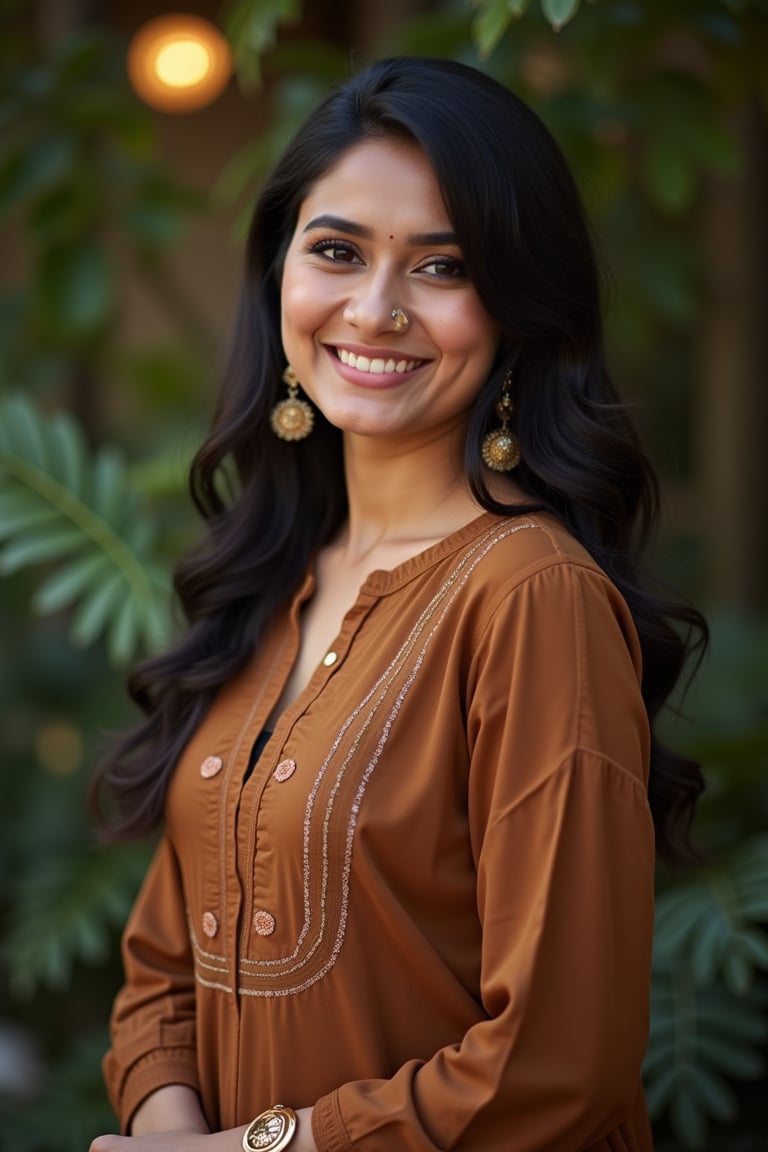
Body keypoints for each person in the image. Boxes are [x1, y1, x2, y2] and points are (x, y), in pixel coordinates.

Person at [89, 56, 707, 1152]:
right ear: (280, 270)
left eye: (442, 266)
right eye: (337, 251)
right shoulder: (272, 578)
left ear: (518, 305)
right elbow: (161, 973)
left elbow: (556, 1070)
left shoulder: (532, 598)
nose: (375, 310)